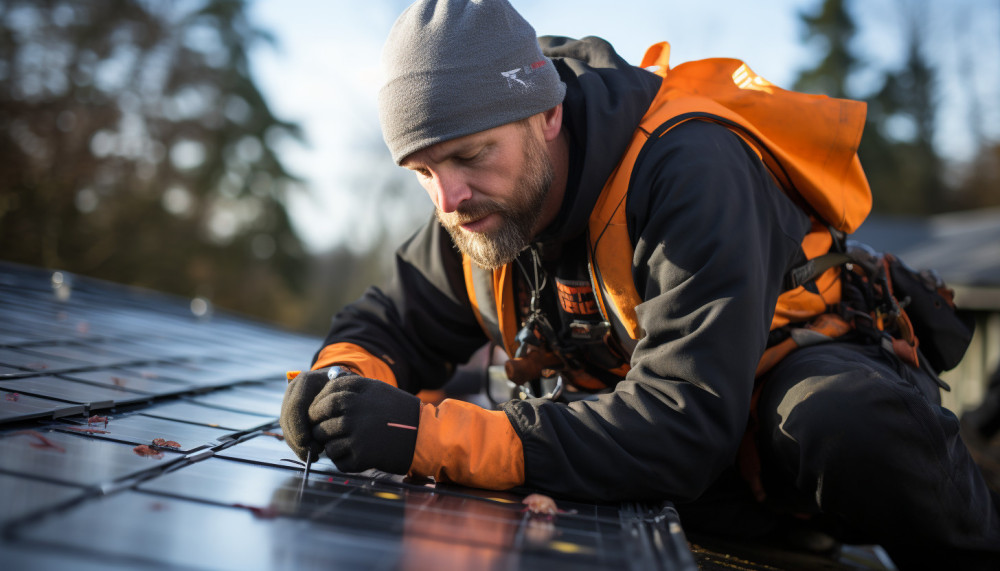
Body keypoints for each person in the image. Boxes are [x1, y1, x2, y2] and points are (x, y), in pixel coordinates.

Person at [280, 0, 1000, 567]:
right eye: (423, 172)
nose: (449, 198)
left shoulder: (687, 168)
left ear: (548, 113)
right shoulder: (481, 212)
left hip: (781, 416)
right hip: (684, 459)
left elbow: (684, 421)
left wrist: (429, 437)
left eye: (469, 156)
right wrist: (336, 385)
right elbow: (389, 321)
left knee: (834, 419)